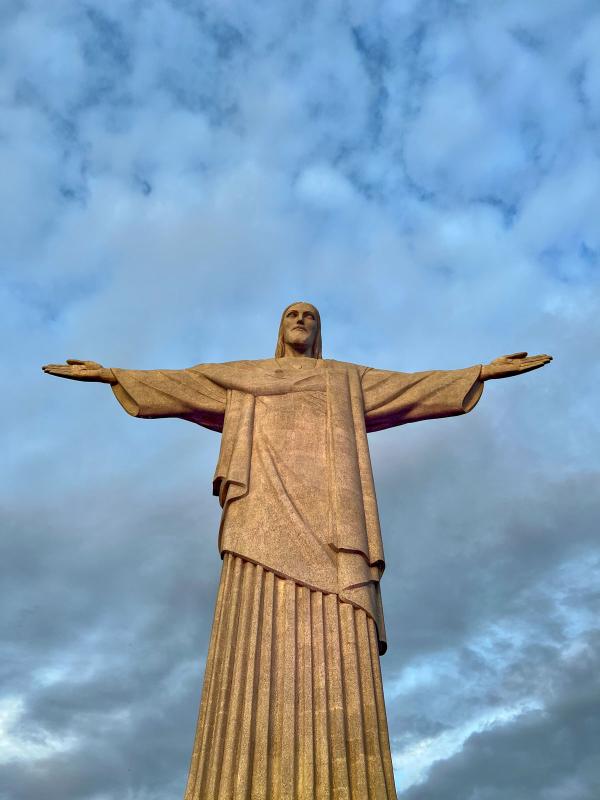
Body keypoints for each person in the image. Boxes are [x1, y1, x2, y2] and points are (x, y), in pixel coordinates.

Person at [43, 303, 551, 800]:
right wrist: (112, 375)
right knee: (252, 626)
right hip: (259, 514)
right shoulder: (245, 378)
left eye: (310, 316)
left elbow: (411, 389)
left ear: (319, 331)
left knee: (336, 635)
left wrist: (480, 371)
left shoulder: (344, 379)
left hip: (333, 523)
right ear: (280, 328)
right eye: (292, 315)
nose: (301, 321)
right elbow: (184, 385)